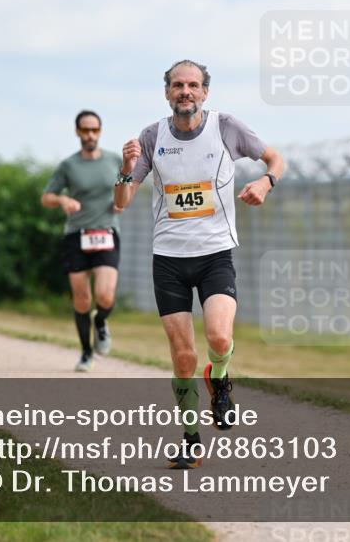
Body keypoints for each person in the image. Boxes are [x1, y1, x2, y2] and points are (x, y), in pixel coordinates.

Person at [114, 59, 285, 469]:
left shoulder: (226, 127)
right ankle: (191, 441)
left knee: (220, 339)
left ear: (205, 92)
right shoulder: (152, 137)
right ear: (167, 92)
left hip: (215, 254)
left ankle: (220, 378)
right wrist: (124, 170)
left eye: (193, 85)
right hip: (169, 258)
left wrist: (265, 181)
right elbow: (121, 203)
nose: (185, 91)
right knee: (183, 356)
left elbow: (276, 159)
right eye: (177, 85)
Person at [41, 110, 124, 372]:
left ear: (100, 131)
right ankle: (86, 353)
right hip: (76, 235)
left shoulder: (114, 161)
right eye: (85, 130)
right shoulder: (68, 165)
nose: (90, 135)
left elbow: (127, 189)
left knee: (105, 294)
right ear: (77, 132)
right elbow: (47, 197)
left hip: (107, 232)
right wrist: (63, 200)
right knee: (81, 298)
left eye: (95, 130)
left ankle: (101, 322)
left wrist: (122, 202)